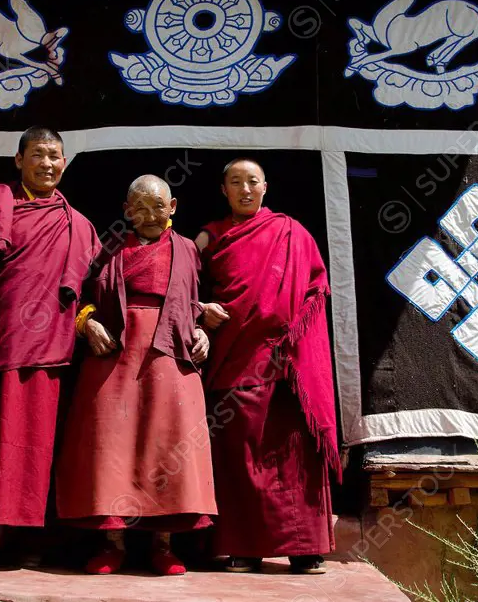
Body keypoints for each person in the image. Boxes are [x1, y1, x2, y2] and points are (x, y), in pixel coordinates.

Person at [0, 126, 100, 571]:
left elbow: (88, 290)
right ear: (19, 159)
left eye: (56, 156)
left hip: (47, 347)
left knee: (34, 442)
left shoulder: (78, 224)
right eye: (39, 155)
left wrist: (87, 322)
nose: (48, 164)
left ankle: (27, 537)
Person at [57, 175, 217, 576]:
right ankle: (113, 544)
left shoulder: (188, 251)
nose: (149, 215)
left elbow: (201, 301)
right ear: (127, 210)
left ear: (173, 206)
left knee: (166, 446)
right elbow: (75, 294)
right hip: (115, 353)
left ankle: (163, 545)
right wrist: (87, 323)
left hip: (169, 353)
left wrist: (201, 330)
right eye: (140, 208)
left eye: (157, 207)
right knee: (112, 445)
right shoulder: (107, 248)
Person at [196, 158, 340, 575]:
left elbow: (316, 286)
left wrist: (295, 339)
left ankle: (304, 548)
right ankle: (244, 547)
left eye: (252, 182)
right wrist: (201, 310)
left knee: (294, 456)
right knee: (239, 455)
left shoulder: (292, 232)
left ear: (266, 187)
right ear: (223, 190)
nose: (245, 189)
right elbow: (186, 283)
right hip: (234, 357)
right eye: (235, 182)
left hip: (284, 363)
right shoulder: (211, 237)